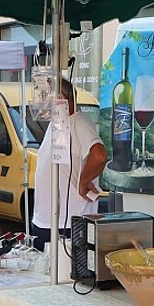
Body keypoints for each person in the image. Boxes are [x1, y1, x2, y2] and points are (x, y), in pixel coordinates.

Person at [31, 76, 108, 248]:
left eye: (46, 97)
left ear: (61, 99)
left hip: (67, 222)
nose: (42, 103)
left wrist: (83, 181)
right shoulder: (57, 123)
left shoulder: (79, 123)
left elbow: (99, 155)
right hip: (47, 219)